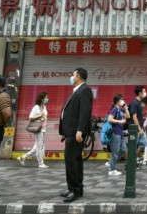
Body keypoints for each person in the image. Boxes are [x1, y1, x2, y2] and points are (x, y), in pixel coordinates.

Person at [57, 68, 93, 203]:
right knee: (74, 160)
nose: (71, 77)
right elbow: (71, 113)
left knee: (72, 160)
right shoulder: (77, 91)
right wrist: (65, 132)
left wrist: (80, 130)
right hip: (70, 132)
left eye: (73, 75)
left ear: (78, 77)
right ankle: (75, 188)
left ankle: (75, 190)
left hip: (76, 133)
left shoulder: (85, 90)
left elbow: (85, 112)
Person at [18, 91, 49, 168]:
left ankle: (23, 157)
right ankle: (40, 163)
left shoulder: (44, 107)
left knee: (37, 147)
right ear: (42, 99)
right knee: (40, 146)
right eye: (46, 98)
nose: (47, 99)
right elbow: (30, 118)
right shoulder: (36, 107)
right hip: (38, 129)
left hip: (43, 128)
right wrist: (39, 115)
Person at [106, 94, 131, 176]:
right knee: (115, 152)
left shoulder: (120, 109)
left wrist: (126, 107)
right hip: (115, 133)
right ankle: (111, 169)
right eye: (121, 100)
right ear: (117, 101)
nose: (123, 101)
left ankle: (110, 163)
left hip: (120, 133)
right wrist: (119, 121)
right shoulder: (114, 109)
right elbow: (110, 119)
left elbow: (128, 116)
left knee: (123, 150)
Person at [128, 86, 147, 164]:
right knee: (133, 147)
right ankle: (130, 164)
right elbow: (134, 117)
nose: (145, 93)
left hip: (139, 128)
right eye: (144, 91)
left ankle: (135, 159)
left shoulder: (139, 103)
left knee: (145, 143)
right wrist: (139, 129)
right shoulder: (134, 102)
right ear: (140, 93)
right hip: (135, 129)